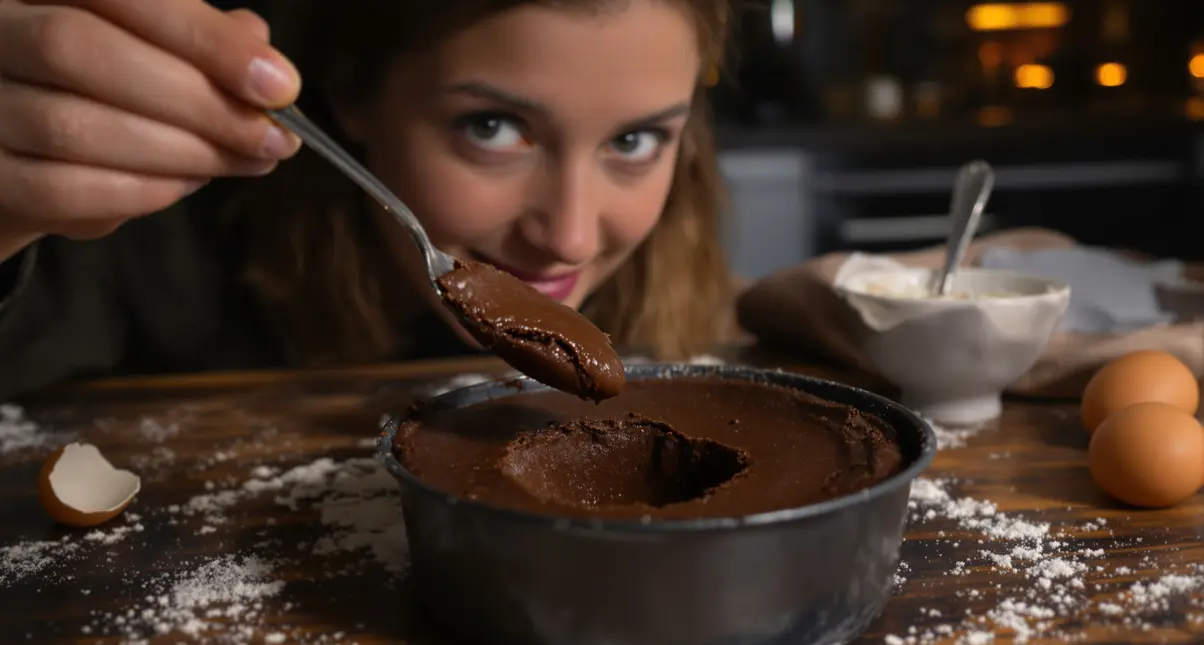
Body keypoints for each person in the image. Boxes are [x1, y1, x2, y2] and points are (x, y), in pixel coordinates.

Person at [0, 0, 736, 401]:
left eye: (634, 141)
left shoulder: (683, 294)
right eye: (492, 128)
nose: (570, 238)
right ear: (354, 91)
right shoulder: (151, 238)